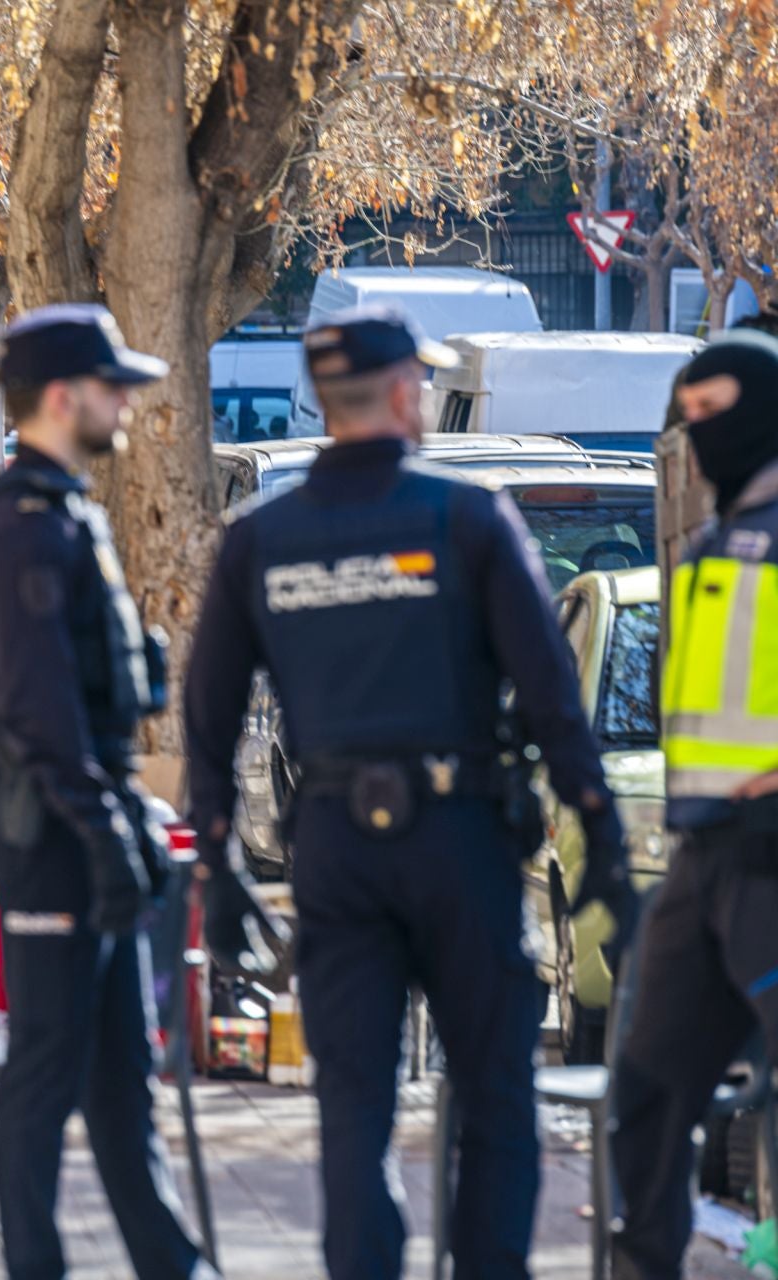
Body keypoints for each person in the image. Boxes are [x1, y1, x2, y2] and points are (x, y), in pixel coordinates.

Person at [183, 306, 633, 1280]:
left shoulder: (263, 538)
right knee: (497, 1102)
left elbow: (208, 720)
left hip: (339, 850)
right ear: (400, 394)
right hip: (459, 840)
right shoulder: (465, 519)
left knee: (355, 1110)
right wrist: (603, 845)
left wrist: (219, 864)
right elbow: (555, 696)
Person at [0, 305, 219, 1280]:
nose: (127, 402)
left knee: (121, 1077)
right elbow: (39, 710)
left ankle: (174, 1261)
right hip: (52, 827)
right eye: (114, 387)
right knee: (46, 1072)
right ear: (65, 398)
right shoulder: (23, 527)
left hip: (85, 817)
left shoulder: (63, 511)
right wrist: (107, 826)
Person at [610, 330, 778, 1280]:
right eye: (692, 414)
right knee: (648, 1085)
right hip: (705, 859)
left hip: (772, 856)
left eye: (719, 413)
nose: (701, 434)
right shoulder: (714, 542)